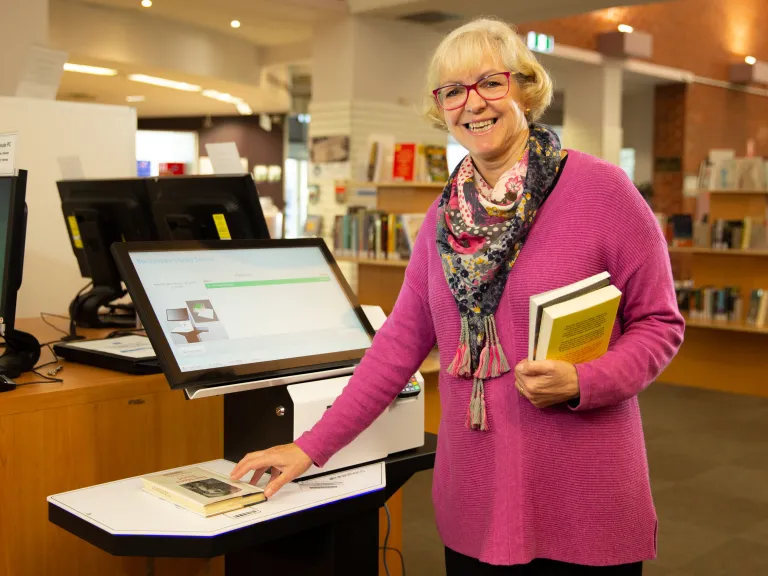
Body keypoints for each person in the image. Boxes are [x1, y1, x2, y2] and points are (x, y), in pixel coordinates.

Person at [231, 17, 685, 575]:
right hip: (478, 489)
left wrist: (585, 381)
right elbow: (398, 345)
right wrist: (309, 446)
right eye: (452, 91)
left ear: (525, 87)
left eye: (490, 83)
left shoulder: (602, 191)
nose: (473, 103)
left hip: (580, 487)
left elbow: (660, 324)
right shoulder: (443, 221)